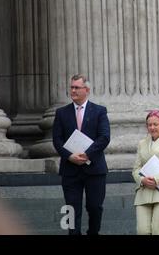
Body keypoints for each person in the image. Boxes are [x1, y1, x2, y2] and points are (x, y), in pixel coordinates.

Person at [52, 74, 110, 235]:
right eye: (71, 87)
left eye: (77, 87)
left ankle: (93, 233)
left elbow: (104, 137)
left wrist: (86, 154)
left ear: (87, 90)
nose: (73, 90)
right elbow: (57, 140)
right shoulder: (61, 113)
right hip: (70, 170)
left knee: (94, 207)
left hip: (94, 169)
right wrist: (69, 156)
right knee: (71, 208)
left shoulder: (99, 111)